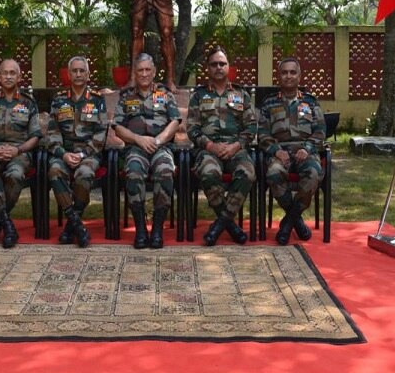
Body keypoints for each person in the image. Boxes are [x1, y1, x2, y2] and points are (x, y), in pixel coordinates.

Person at [187, 47, 255, 246]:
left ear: (228, 67)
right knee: (208, 173)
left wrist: (236, 146)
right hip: (208, 150)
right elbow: (192, 128)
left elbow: (251, 127)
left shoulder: (241, 95)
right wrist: (209, 145)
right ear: (207, 68)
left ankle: (220, 224)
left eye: (222, 64)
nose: (218, 67)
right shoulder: (198, 96)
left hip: (236, 150)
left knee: (248, 173)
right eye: (214, 64)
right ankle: (231, 226)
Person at [113, 53, 180, 249]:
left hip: (161, 147)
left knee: (165, 170)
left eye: (147, 70)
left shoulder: (165, 94)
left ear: (154, 72)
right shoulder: (126, 97)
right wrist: (138, 139)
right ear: (135, 72)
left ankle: (158, 228)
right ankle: (141, 229)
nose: (143, 74)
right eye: (140, 70)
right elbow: (117, 127)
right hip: (136, 148)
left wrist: (158, 140)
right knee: (133, 172)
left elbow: (175, 121)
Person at [258, 57, 325, 245]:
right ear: (278, 76)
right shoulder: (269, 103)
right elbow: (262, 133)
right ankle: (297, 221)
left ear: (299, 76)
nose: (288, 76)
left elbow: (320, 131)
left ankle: (288, 222)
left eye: (292, 72)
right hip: (280, 152)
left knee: (313, 174)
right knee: (273, 173)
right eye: (284, 72)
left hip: (306, 151)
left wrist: (308, 148)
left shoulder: (311, 102)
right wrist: (276, 150)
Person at [0, 59, 41, 248]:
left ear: (19, 77)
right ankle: (7, 224)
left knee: (15, 175)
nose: (9, 76)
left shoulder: (28, 102)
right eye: (5, 73)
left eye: (13, 73)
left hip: (19, 152)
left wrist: (17, 150)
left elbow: (35, 136)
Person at [45, 56, 107, 248]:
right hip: (64, 154)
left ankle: (71, 226)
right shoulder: (59, 101)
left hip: (89, 155)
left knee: (85, 174)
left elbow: (101, 134)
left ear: (88, 75)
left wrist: (82, 155)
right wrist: (63, 154)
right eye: (75, 71)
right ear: (69, 74)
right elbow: (51, 133)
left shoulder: (97, 100)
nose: (78, 74)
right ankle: (77, 224)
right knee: (55, 171)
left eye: (82, 71)